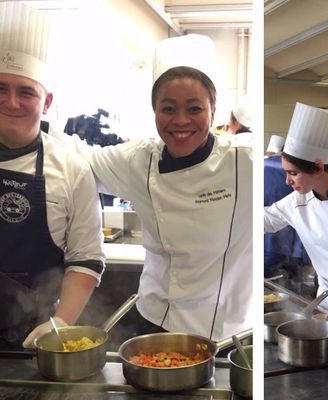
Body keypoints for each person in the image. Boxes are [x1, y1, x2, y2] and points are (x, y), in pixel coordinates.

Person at [54, 34, 252, 341]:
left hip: (222, 333)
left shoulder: (243, 161)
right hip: (153, 320)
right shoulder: (138, 159)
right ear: (154, 110)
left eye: (195, 108)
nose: (181, 121)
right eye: (168, 108)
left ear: (213, 110)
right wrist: (30, 120)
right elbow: (81, 159)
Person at [0, 2, 104, 349]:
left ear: (46, 101)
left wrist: (60, 324)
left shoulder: (71, 169)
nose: (11, 102)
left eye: (26, 91)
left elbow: (86, 257)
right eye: (1, 88)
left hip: (34, 335)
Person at [264, 103, 328, 309]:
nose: (287, 182)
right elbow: (263, 220)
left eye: (293, 173)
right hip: (325, 303)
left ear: (318, 168)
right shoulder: (296, 203)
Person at [263, 134, 305, 283]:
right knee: (292, 285)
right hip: (293, 245)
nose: (289, 180)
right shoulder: (294, 170)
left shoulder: (260, 166)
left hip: (265, 242)